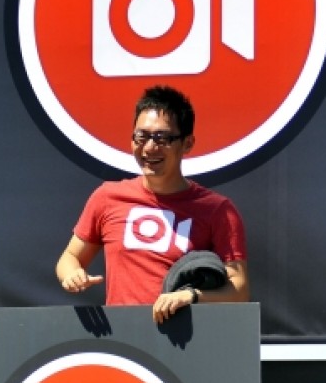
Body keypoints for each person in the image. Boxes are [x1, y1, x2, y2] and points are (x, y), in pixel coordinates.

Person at [56, 85, 249, 323]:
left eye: (162, 138)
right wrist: (72, 274)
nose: (149, 148)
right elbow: (70, 257)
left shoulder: (217, 210)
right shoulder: (107, 197)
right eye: (142, 136)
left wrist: (191, 296)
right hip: (122, 338)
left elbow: (238, 289)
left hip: (185, 340)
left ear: (187, 143)